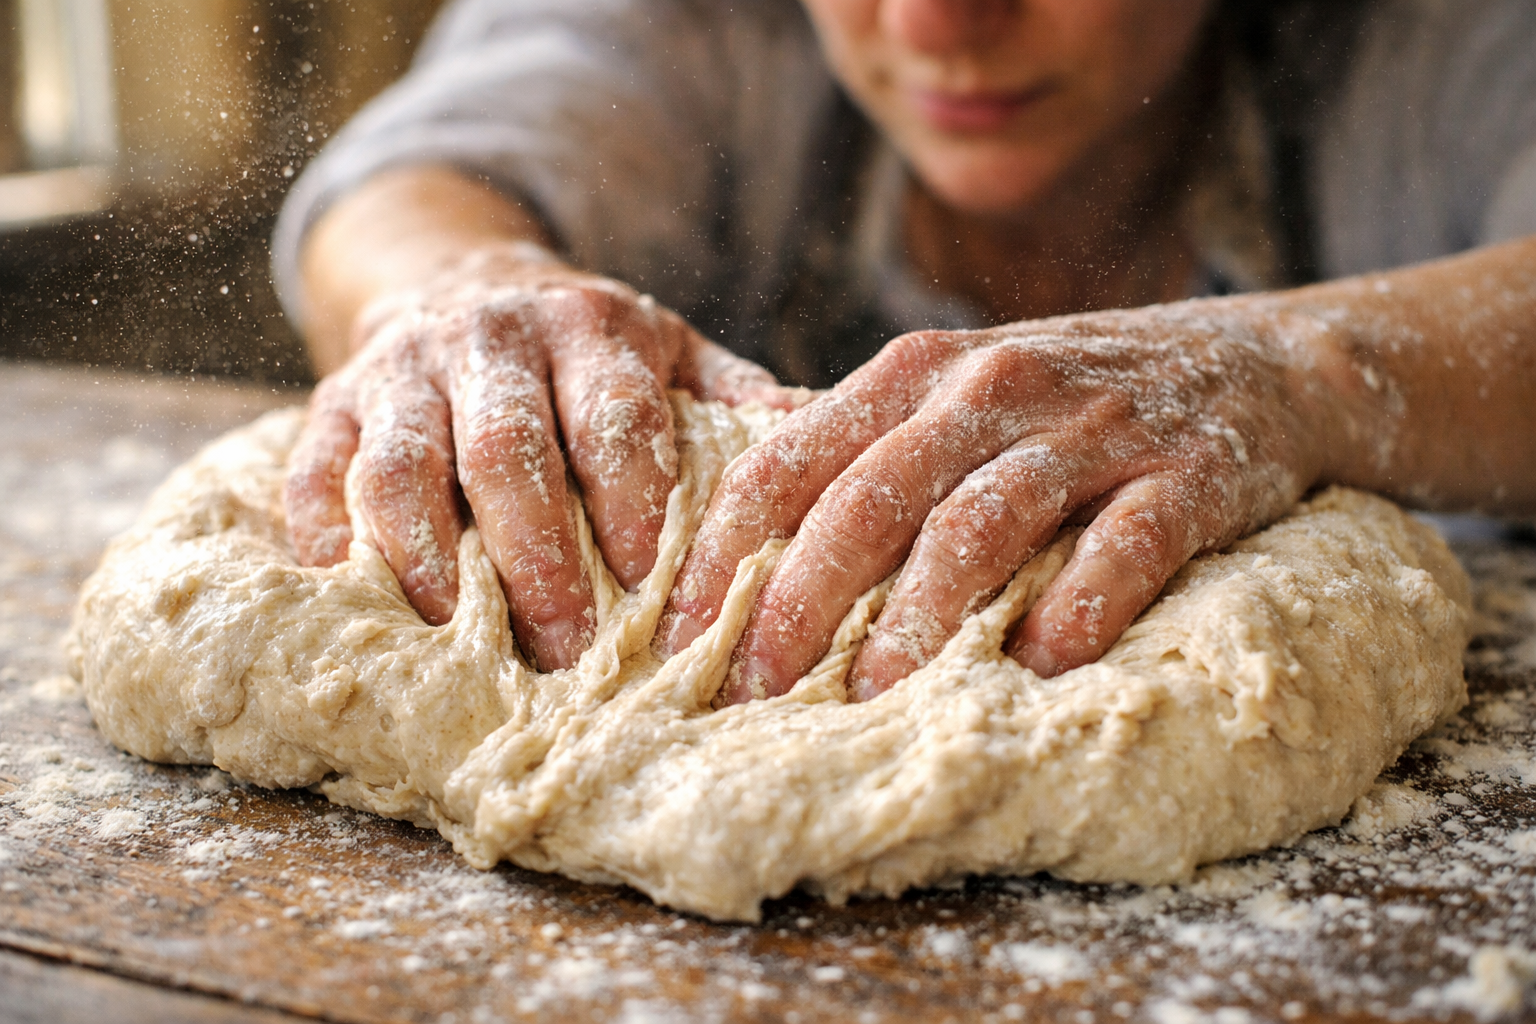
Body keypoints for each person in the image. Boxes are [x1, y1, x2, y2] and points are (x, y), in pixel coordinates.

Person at [272, 0, 1536, 705]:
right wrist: (457, 284)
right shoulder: (713, 28)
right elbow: (407, 187)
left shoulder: (1444, 45)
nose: (938, 24)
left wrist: (1285, 371)